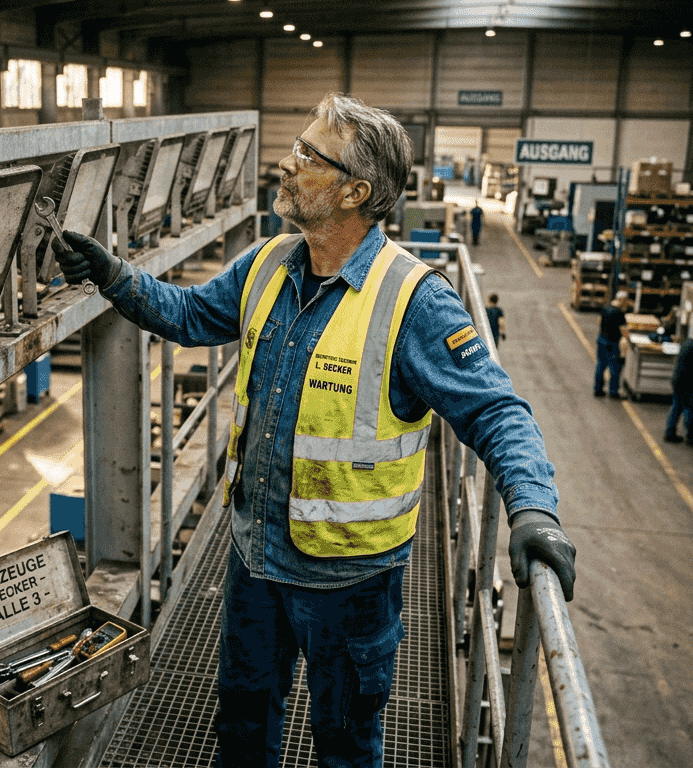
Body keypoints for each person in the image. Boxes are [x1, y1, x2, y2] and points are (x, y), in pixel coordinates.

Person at [51, 92, 576, 768]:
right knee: (242, 728)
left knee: (346, 745)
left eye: (307, 156)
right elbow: (187, 315)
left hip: (351, 586)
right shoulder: (269, 263)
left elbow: (497, 412)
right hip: (255, 560)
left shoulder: (414, 302)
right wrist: (112, 277)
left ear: (355, 190)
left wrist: (534, 509)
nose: (286, 165)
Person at [593, 291, 632, 398]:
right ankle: (613, 392)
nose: (626, 304)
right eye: (626, 301)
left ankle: (598, 389)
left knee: (601, 365)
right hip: (613, 343)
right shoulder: (619, 313)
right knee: (615, 368)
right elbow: (624, 331)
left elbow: (599, 320)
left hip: (602, 339)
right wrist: (629, 339)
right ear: (621, 300)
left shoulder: (606, 308)